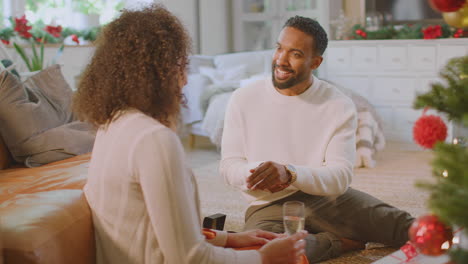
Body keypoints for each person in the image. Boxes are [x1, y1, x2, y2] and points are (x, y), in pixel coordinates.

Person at [73, 4, 308, 264]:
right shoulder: (153, 140)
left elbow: (157, 228)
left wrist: (228, 238)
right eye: (181, 65)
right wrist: (262, 258)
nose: (185, 80)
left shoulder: (113, 125)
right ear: (156, 71)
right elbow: (188, 258)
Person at [220, 16, 415, 263]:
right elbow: (228, 166)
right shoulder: (242, 99)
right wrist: (256, 174)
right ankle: (337, 242)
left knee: (410, 228)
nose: (281, 59)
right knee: (262, 254)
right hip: (266, 206)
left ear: (316, 62)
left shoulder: (338, 104)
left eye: (296, 54)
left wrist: (290, 173)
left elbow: (341, 176)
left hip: (327, 199)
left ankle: (322, 237)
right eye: (279, 47)